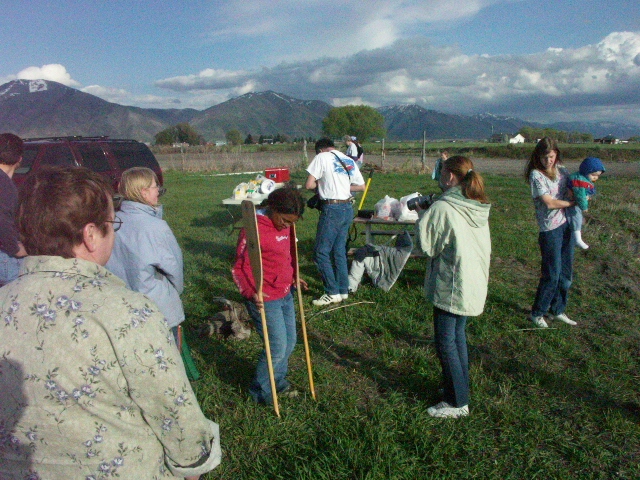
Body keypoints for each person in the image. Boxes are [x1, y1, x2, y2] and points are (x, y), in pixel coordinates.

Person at [0, 166, 221, 479]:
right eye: (111, 223)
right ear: (91, 235)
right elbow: (173, 411)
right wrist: (193, 465)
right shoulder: (129, 312)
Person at [105, 167, 199, 379]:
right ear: (144, 192)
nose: (158, 191)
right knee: (168, 364)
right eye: (156, 187)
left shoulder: (112, 222)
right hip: (157, 308)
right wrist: (174, 293)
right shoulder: (156, 227)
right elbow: (174, 269)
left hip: (121, 306)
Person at [416, 155, 491, 419]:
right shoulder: (475, 203)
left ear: (449, 176)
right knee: (457, 337)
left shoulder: (444, 206)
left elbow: (427, 246)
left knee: (445, 342)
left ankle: (458, 403)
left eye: (441, 172)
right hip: (472, 278)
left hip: (452, 281)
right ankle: (457, 387)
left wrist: (422, 215)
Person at [232, 187, 307, 404]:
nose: (287, 226)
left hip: (285, 293)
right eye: (284, 220)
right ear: (272, 208)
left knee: (290, 342)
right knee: (276, 347)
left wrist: (293, 275)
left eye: (292, 222)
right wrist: (250, 291)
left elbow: (286, 255)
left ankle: (277, 381)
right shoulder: (253, 229)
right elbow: (239, 268)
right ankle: (261, 391)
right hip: (265, 298)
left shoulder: (288, 226)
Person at [305, 137, 366, 306]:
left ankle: (331, 292)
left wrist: (323, 185)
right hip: (347, 207)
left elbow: (309, 185)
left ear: (320, 150)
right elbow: (361, 186)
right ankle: (343, 289)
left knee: (321, 252)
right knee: (339, 250)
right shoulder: (347, 159)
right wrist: (341, 186)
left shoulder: (321, 157)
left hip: (332, 208)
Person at [524, 137, 577, 328]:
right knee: (552, 274)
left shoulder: (562, 170)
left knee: (566, 274)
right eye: (545, 157)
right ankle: (538, 312)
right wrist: (573, 202)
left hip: (567, 224)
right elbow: (549, 203)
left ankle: (557, 309)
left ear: (557, 155)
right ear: (538, 157)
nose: (549, 161)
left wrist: (584, 191)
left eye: (552, 156)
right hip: (550, 229)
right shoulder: (536, 175)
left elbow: (574, 187)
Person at [0, 133, 28, 286]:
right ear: (19, 159)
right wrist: (16, 249)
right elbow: (2, 221)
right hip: (5, 257)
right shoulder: (4, 185)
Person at [566, 157, 606, 250]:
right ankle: (577, 239)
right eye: (593, 175)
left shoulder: (582, 178)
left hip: (575, 201)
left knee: (578, 218)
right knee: (576, 217)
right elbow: (580, 196)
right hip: (572, 202)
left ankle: (576, 235)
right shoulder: (580, 182)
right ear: (586, 171)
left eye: (598, 175)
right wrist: (584, 207)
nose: (595, 177)